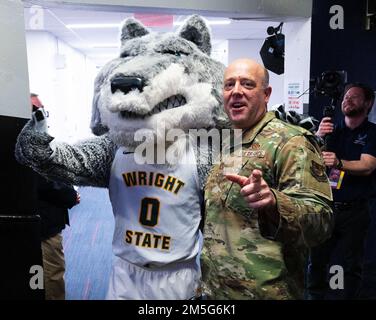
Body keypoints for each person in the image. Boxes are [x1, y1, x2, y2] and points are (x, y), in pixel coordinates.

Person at [200, 58, 334, 300]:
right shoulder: (227, 142)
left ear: (266, 93)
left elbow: (321, 222)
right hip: (216, 293)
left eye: (247, 84)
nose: (236, 91)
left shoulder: (291, 142)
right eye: (229, 85)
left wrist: (274, 202)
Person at [306, 83, 376, 300]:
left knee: (351, 264)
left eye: (354, 97)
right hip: (327, 207)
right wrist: (318, 136)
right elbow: (309, 161)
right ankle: (314, 296)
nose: (348, 100)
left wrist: (338, 162)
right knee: (317, 259)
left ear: (368, 103)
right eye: (346, 96)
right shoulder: (333, 131)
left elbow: (368, 166)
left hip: (355, 211)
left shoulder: (372, 133)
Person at [31, 93, 80, 300]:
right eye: (37, 111)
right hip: (43, 224)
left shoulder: (34, 139)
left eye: (43, 110)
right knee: (52, 273)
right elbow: (45, 182)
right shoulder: (27, 143)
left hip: (45, 220)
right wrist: (70, 195)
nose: (42, 116)